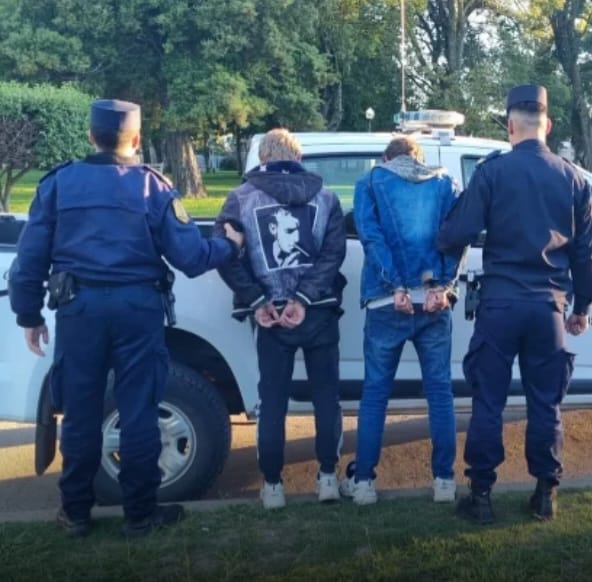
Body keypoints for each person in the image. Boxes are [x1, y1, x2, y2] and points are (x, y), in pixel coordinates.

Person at [8, 99, 244, 538]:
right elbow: (190, 257)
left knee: (79, 413)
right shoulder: (153, 187)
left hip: (80, 311)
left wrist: (28, 314)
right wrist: (230, 245)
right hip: (138, 310)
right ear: (136, 139)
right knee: (138, 410)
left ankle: (76, 513)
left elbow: (30, 259)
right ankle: (139, 514)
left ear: (90, 136)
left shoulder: (58, 184)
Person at [437, 84, 592, 524]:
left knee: (488, 402)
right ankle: (545, 494)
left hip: (501, 306)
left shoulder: (493, 172)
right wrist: (582, 307)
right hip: (549, 309)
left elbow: (456, 233)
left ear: (511, 127)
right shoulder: (573, 178)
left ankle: (481, 496)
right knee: (546, 403)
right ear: (548, 125)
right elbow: (585, 252)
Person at [214, 128, 347, 509]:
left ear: (263, 158)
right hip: (318, 311)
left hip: (270, 316)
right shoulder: (326, 197)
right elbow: (332, 255)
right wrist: (303, 299)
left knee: (272, 402)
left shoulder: (240, 198)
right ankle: (327, 478)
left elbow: (226, 256)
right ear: (299, 158)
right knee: (326, 398)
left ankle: (272, 485)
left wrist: (257, 300)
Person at [338, 136, 465, 505]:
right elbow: (457, 238)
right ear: (417, 158)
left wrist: (395, 284)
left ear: (386, 158)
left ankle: (364, 482)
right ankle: (444, 481)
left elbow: (371, 238)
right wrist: (444, 285)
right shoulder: (445, 183)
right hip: (433, 301)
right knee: (439, 392)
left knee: (375, 394)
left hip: (385, 301)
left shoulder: (370, 182)